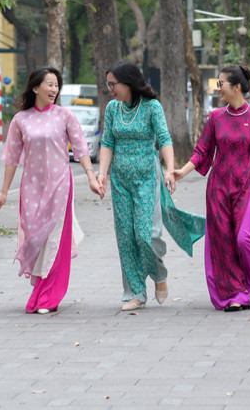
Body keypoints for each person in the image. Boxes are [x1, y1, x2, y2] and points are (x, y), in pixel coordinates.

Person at [0, 67, 103, 314]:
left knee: (54, 240)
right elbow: (12, 158)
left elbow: (81, 149)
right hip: (31, 189)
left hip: (59, 186)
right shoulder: (20, 120)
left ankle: (47, 297)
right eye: (50, 84)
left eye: (56, 85)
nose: (54, 89)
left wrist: (91, 177)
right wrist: (3, 192)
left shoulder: (64, 115)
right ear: (35, 87)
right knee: (35, 239)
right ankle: (41, 289)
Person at [173, 65, 250, 312]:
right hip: (218, 187)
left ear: (237, 87)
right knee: (223, 242)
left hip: (245, 186)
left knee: (243, 239)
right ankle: (235, 294)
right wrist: (182, 172)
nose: (218, 89)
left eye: (221, 84)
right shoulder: (216, 117)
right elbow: (202, 150)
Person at [97, 62, 191, 311]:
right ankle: (135, 293)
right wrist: (102, 174)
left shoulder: (152, 106)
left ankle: (158, 273)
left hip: (147, 178)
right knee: (125, 237)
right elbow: (107, 142)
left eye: (113, 84)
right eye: (108, 84)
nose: (110, 89)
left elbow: (164, 139)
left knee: (145, 234)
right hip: (120, 180)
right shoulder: (112, 108)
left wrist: (169, 169)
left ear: (128, 83)